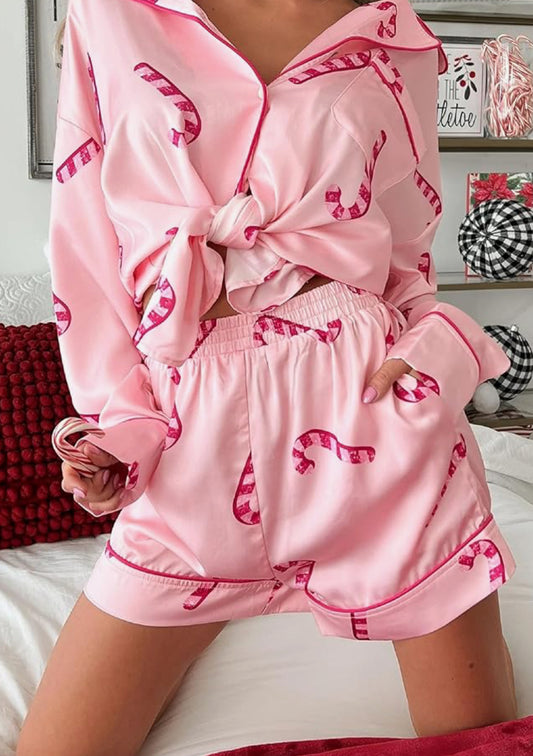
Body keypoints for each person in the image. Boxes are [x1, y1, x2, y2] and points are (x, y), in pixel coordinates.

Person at [17, 0, 518, 753]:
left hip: (371, 418)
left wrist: (431, 356)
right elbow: (83, 253)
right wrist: (120, 423)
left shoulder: (391, 35)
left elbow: (407, 256)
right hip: (190, 439)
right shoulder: (112, 16)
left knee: (488, 740)